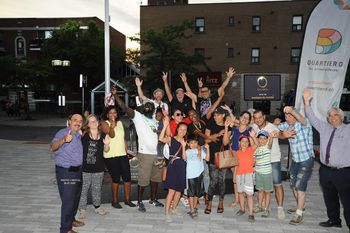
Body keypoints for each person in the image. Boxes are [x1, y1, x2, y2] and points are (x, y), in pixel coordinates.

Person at [303, 89, 350, 231]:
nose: (332, 117)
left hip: (343, 172)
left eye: (335, 115)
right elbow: (312, 118)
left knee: (347, 201)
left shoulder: (348, 130)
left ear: (341, 117)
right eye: (330, 116)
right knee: (329, 197)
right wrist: (306, 102)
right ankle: (334, 220)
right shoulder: (324, 128)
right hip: (325, 170)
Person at [112, 88, 164, 213]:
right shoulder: (138, 117)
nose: (149, 107)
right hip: (145, 155)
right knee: (143, 180)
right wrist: (115, 96)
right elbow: (124, 107)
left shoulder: (154, 121)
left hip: (157, 154)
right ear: (143, 108)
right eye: (147, 105)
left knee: (155, 179)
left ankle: (153, 199)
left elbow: (155, 134)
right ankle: (140, 201)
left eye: (150, 106)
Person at [278, 106, 314, 225]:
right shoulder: (287, 125)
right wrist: (280, 130)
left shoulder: (304, 124)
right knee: (293, 185)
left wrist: (292, 110)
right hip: (295, 161)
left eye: (290, 116)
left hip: (306, 160)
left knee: (299, 186)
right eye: (286, 116)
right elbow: (275, 129)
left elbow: (303, 120)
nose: (288, 118)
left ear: (295, 115)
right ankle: (300, 206)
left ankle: (299, 214)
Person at [50, 114, 85, 233]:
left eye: (80, 121)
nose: (78, 122)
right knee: (68, 200)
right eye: (75, 120)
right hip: (66, 172)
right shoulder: (63, 132)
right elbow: (52, 147)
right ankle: (65, 229)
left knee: (75, 198)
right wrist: (64, 139)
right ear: (69, 122)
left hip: (77, 171)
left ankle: (71, 220)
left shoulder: (78, 134)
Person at [252, 110, 285, 220]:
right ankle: (260, 206)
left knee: (277, 184)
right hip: (261, 163)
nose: (258, 120)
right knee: (261, 187)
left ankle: (280, 208)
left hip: (273, 160)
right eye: (255, 118)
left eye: (260, 117)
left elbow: (281, 134)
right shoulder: (255, 128)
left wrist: (283, 134)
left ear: (264, 116)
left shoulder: (272, 127)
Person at [101, 106, 136, 209]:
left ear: (117, 114)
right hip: (111, 156)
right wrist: (112, 125)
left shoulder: (120, 123)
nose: (113, 114)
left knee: (127, 178)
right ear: (107, 115)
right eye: (110, 113)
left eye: (114, 113)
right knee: (115, 178)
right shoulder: (104, 124)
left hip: (122, 154)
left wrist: (126, 152)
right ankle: (114, 201)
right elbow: (111, 135)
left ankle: (127, 200)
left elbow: (124, 139)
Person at [78, 114, 110, 219]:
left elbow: (106, 150)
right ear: (87, 124)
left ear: (98, 122)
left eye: (95, 120)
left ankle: (97, 207)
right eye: (91, 121)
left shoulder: (104, 135)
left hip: (99, 167)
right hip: (85, 168)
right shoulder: (83, 135)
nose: (93, 123)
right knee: (83, 189)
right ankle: (82, 210)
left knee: (97, 189)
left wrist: (106, 144)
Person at [159, 120, 188, 222]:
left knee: (179, 190)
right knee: (171, 191)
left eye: (185, 130)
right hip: (172, 166)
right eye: (181, 129)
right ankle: (166, 213)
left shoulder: (186, 142)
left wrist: (184, 146)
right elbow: (161, 138)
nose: (183, 131)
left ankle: (174, 208)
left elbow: (184, 158)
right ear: (177, 129)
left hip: (182, 166)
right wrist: (165, 125)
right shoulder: (171, 139)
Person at [205, 106, 232, 214]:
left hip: (223, 158)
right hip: (212, 156)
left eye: (218, 115)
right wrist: (217, 135)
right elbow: (206, 140)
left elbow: (225, 143)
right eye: (214, 115)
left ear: (223, 115)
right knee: (213, 181)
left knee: (222, 181)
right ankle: (210, 202)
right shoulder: (210, 125)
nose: (215, 117)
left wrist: (225, 128)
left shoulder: (229, 128)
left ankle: (221, 202)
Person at [184, 135, 210, 218]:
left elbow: (207, 159)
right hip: (190, 175)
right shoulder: (187, 151)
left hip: (199, 174)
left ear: (197, 143)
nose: (193, 144)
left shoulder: (200, 151)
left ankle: (194, 208)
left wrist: (208, 149)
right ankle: (191, 209)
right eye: (191, 143)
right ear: (188, 144)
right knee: (191, 193)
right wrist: (183, 146)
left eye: (195, 142)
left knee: (197, 193)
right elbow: (184, 158)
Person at [253, 130, 277, 218]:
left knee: (267, 192)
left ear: (267, 140)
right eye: (260, 138)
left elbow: (270, 143)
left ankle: (266, 209)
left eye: (264, 138)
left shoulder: (268, 147)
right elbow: (254, 161)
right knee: (260, 190)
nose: (262, 140)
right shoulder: (256, 150)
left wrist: (271, 137)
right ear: (258, 139)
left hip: (267, 174)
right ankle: (260, 206)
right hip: (258, 173)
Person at [234, 134, 257, 222]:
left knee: (249, 195)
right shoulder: (237, 153)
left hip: (248, 175)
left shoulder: (250, 150)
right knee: (240, 192)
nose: (244, 143)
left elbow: (256, 144)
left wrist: (252, 137)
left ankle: (251, 213)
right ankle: (242, 209)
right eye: (242, 141)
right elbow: (236, 165)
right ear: (239, 143)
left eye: (246, 142)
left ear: (248, 143)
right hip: (239, 175)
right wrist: (234, 176)